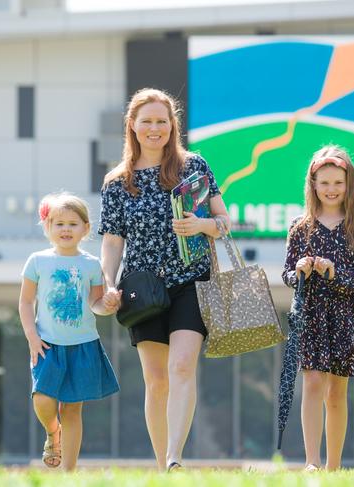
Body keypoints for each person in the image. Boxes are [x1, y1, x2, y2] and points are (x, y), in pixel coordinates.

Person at [99, 88, 230, 472]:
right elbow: (111, 241)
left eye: (162, 121)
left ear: (173, 125)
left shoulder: (194, 167)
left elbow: (225, 222)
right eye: (147, 122)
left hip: (192, 279)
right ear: (133, 127)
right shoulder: (117, 182)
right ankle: (162, 467)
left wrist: (202, 224)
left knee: (183, 366)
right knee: (156, 381)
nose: (155, 129)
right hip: (141, 289)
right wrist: (109, 283)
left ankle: (175, 457)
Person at [282, 145, 354, 471]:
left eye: (338, 183)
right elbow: (286, 274)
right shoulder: (300, 226)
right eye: (324, 183)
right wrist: (299, 268)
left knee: (336, 392)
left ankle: (334, 466)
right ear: (313, 184)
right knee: (312, 383)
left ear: (349, 184)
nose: (331, 190)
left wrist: (333, 271)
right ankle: (312, 463)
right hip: (311, 313)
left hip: (346, 315)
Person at [19, 192, 120, 471]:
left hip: (83, 345)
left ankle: (70, 472)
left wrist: (108, 305)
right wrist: (32, 335)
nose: (65, 229)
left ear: (86, 229)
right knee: (42, 397)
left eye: (73, 224)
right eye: (59, 223)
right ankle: (53, 432)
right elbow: (26, 301)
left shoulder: (91, 265)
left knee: (72, 408)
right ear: (48, 227)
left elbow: (96, 303)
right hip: (46, 344)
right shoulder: (37, 261)